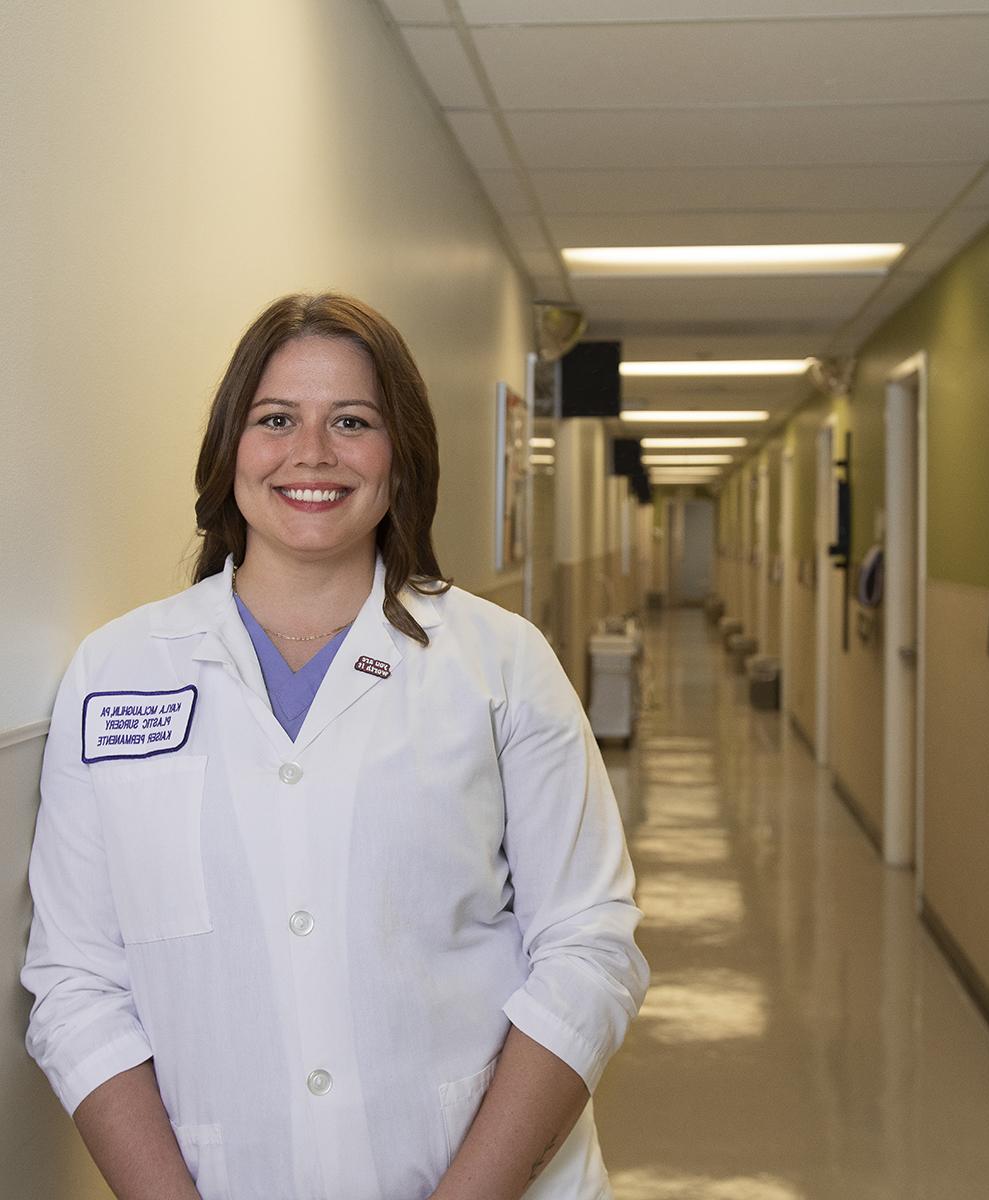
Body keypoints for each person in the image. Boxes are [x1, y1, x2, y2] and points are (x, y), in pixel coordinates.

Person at [22, 292, 649, 1200]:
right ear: (231, 446)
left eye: (351, 421)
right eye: (276, 419)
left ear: (400, 456)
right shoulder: (114, 672)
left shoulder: (501, 664)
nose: (311, 452)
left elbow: (590, 948)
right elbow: (76, 980)